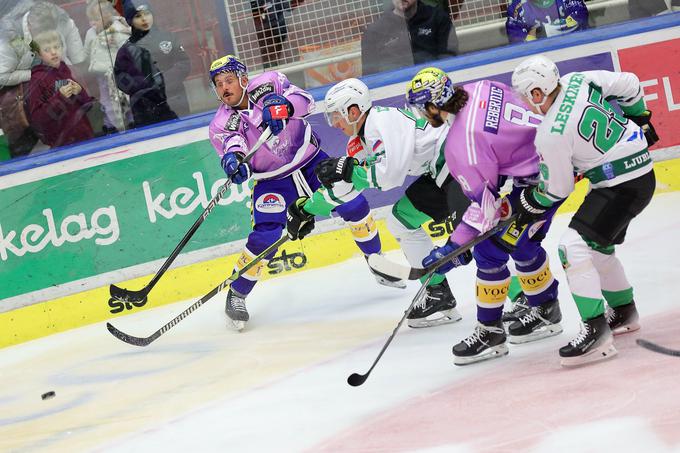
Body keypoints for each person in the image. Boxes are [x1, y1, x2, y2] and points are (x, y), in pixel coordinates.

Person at [207, 55, 395, 331]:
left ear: (244, 79)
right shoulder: (221, 123)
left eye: (229, 80)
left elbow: (307, 101)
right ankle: (237, 293)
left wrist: (283, 105)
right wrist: (234, 163)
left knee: (353, 204)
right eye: (219, 84)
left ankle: (377, 260)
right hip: (272, 182)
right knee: (266, 236)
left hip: (311, 163)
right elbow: (231, 146)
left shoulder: (270, 83)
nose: (224, 88)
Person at [405, 67, 563, 365]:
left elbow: (485, 209)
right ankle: (545, 311)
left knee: (489, 251)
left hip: (544, 181)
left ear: (432, 106)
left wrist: (452, 248)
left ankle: (490, 332)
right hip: (553, 161)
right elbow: (504, 142)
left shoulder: (460, 145)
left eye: (420, 108)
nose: (421, 115)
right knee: (523, 242)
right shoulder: (482, 87)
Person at [286, 77, 472, 328]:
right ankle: (438, 293)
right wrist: (306, 209)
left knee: (483, 238)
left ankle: (526, 293)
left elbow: (388, 176)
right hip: (440, 172)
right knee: (401, 221)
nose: (335, 124)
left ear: (353, 111)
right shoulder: (357, 142)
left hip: (459, 163)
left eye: (336, 116)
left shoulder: (380, 121)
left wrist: (349, 169)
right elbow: (344, 188)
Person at [511, 55, 658, 366]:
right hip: (640, 174)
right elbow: (630, 83)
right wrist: (641, 118)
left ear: (538, 93)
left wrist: (527, 203)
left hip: (620, 186)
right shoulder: (578, 79)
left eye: (525, 96)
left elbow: (557, 190)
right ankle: (623, 311)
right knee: (598, 247)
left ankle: (596, 333)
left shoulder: (550, 132)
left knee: (572, 247)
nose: (524, 102)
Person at [114, 2, 191, 127]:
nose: (144, 19)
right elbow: (120, 77)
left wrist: (163, 82)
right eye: (138, 16)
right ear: (130, 20)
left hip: (175, 101)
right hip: (145, 109)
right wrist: (143, 87)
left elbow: (184, 63)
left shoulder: (169, 38)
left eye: (147, 14)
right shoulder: (126, 49)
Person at [28, 29, 95, 148]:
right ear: (39, 54)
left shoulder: (67, 70)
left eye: (57, 47)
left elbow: (87, 104)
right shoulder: (37, 79)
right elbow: (38, 119)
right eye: (47, 50)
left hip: (84, 136)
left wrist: (80, 92)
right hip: (62, 143)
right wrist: (59, 97)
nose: (54, 52)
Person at [361, 0, 458, 75]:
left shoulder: (437, 18)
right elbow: (370, 75)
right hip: (393, 89)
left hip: (433, 84)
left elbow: (449, 60)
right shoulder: (374, 32)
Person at [84, 0, 132, 133]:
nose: (92, 23)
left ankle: (132, 120)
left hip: (121, 72)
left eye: (95, 19)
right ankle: (111, 125)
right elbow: (87, 53)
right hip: (103, 75)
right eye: (90, 20)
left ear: (107, 17)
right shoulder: (91, 34)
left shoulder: (119, 29)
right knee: (107, 101)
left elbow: (128, 48)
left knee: (126, 96)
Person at [506, 0, 588, 43]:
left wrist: (543, 32)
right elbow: (516, 37)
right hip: (538, 60)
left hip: (571, 48)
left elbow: (580, 16)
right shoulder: (516, 6)